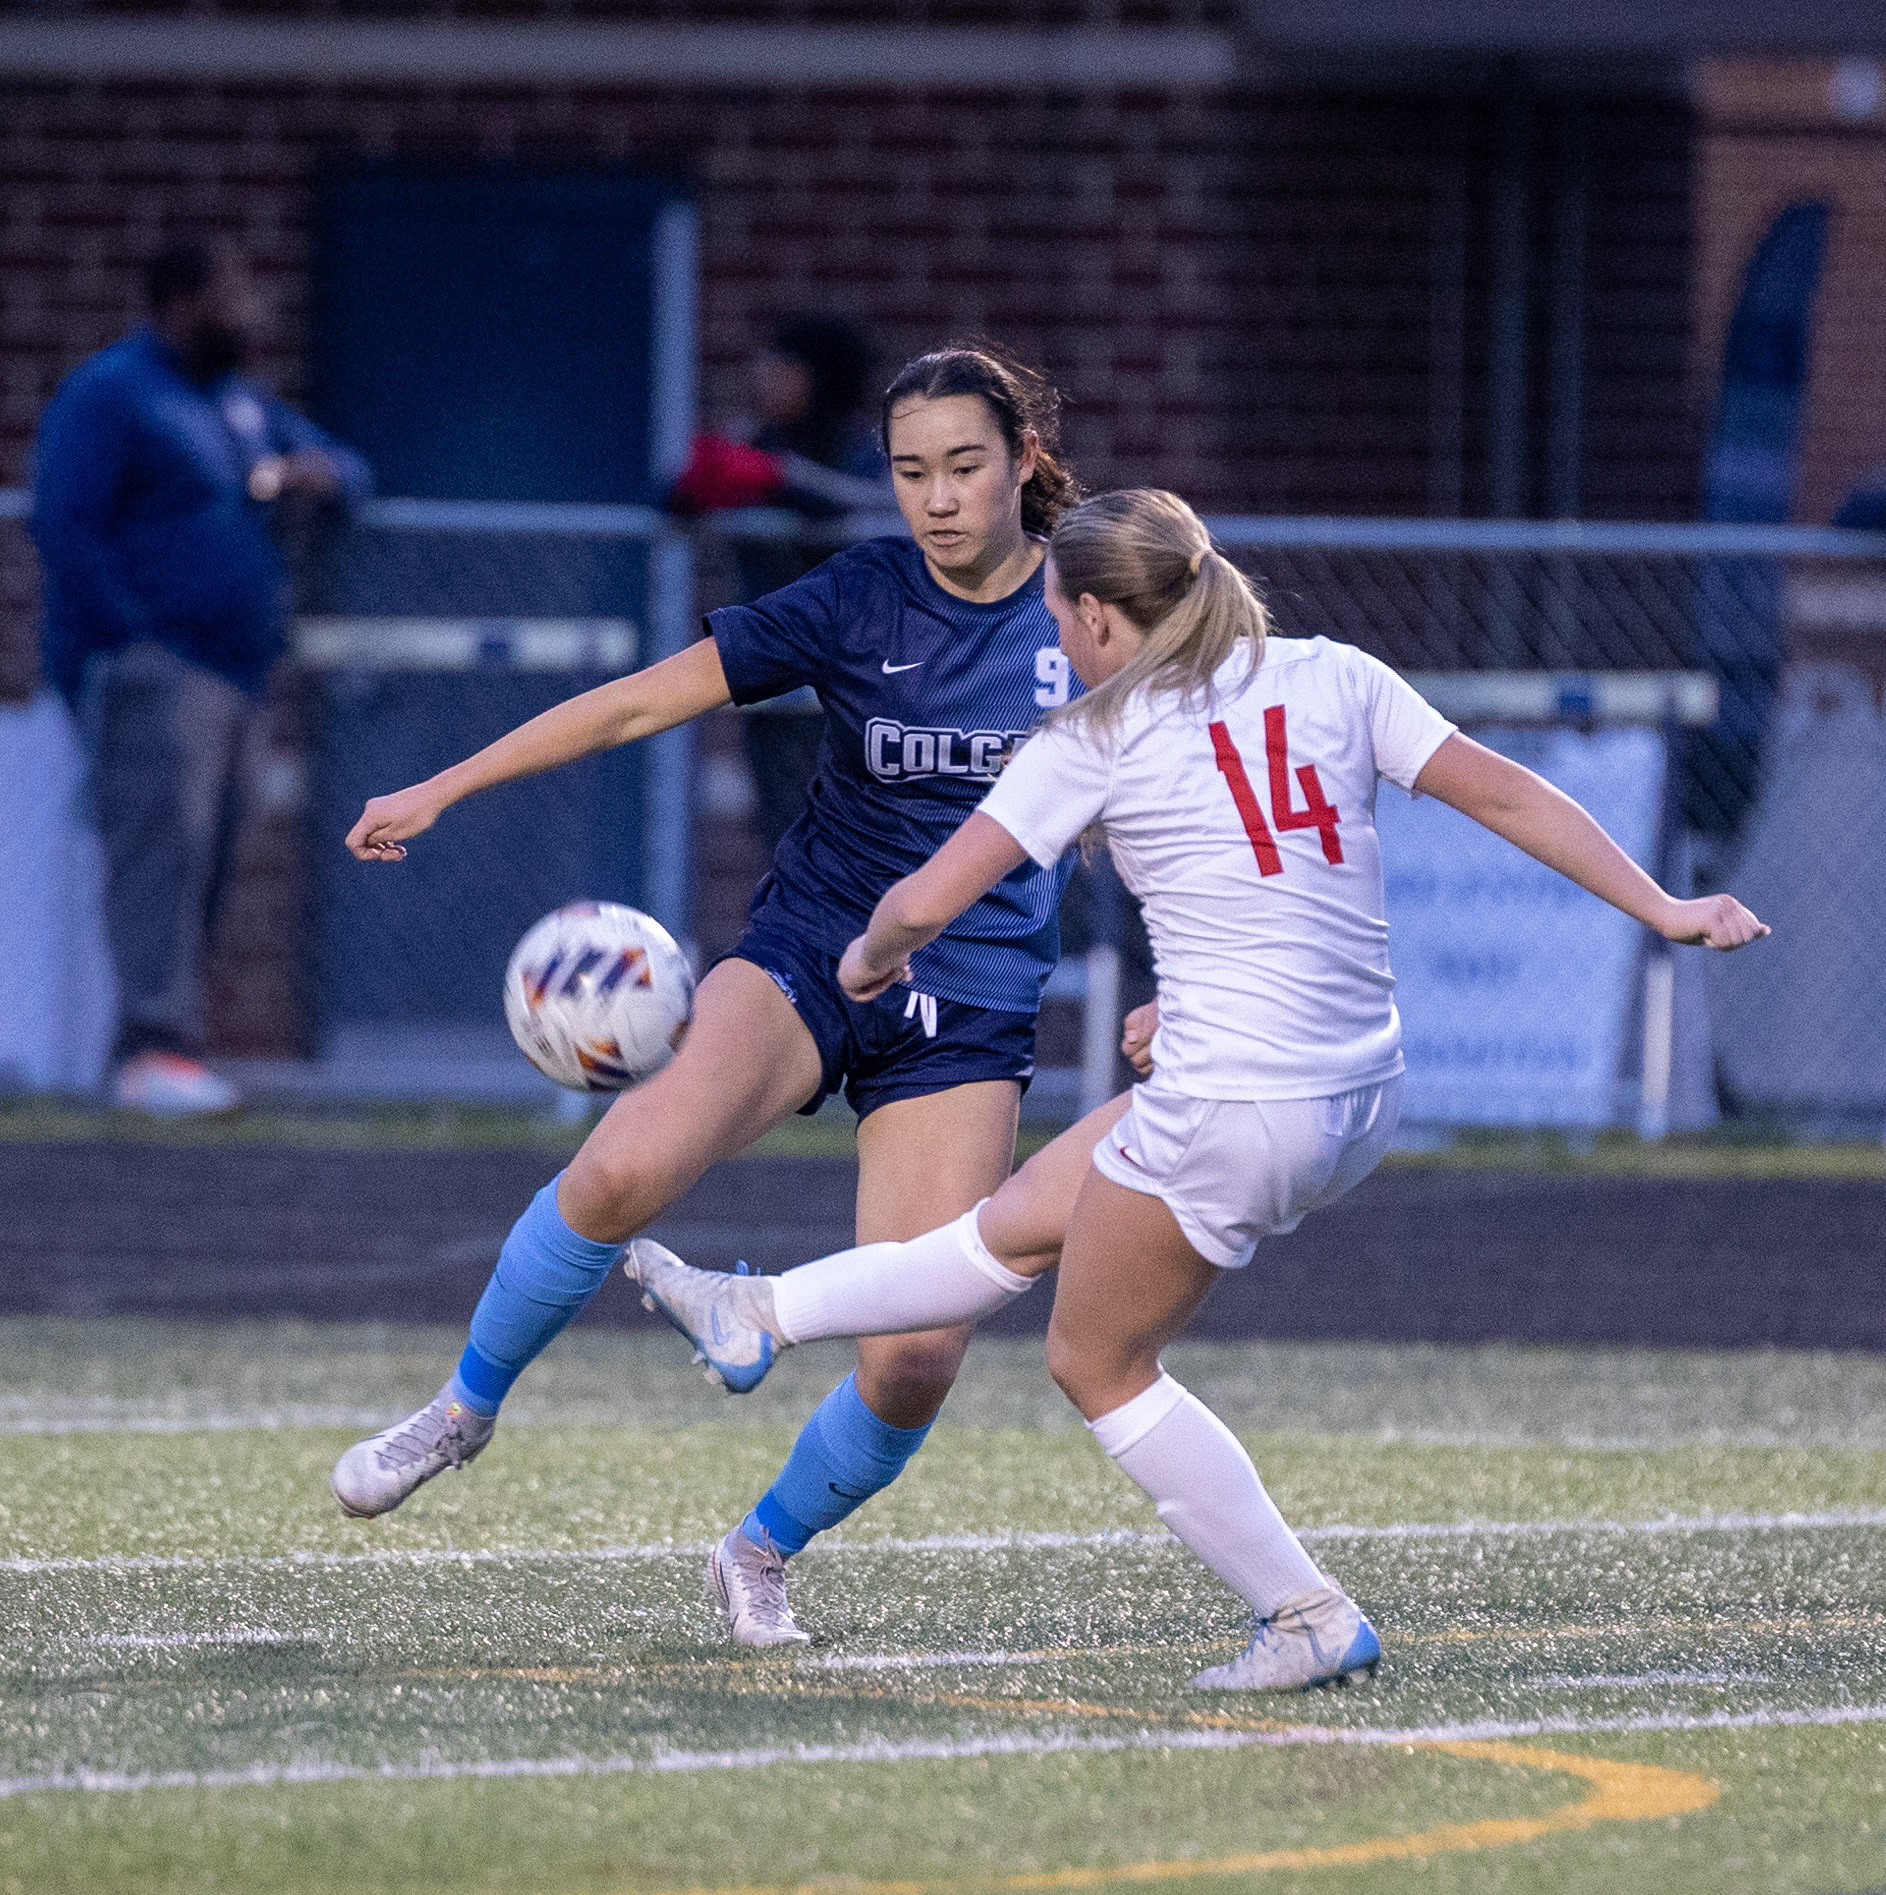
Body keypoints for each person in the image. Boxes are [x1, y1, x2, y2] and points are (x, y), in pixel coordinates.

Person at [628, 487, 1771, 1687]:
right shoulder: (1333, 673)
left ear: (1097, 615)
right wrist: (1664, 907)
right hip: (1354, 1087)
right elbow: (1500, 794)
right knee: (1015, 1223)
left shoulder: (1095, 734)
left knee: (1096, 1362)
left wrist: (865, 959)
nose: (1052, 639)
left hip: (1237, 1102)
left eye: (1054, 616)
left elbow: (922, 898)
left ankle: (1303, 1612)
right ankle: (756, 1312)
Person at [329, 347, 1087, 1650]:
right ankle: (460, 1409)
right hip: (814, 953)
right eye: (910, 471)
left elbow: (1182, 783)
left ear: (1023, 459)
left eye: (964, 466)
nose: (936, 497)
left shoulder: (1092, 613)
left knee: (916, 1352)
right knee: (625, 1165)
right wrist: (440, 786)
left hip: (968, 1003)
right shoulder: (860, 594)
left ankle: (756, 1550)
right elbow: (639, 704)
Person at [31, 238, 370, 1117]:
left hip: (238, 674)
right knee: (160, 860)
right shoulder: (114, 394)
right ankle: (151, 1051)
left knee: (209, 862)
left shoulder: (237, 403)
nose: (248, 314)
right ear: (179, 302)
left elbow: (349, 469)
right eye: (231, 296)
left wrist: (317, 476)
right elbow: (65, 523)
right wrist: (135, 637)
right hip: (155, 671)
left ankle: (169, 1051)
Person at [669, 313, 892, 857]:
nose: (766, 377)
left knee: (864, 829)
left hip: (856, 676)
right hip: (775, 670)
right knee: (784, 828)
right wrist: (700, 485)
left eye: (785, 366)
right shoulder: (753, 441)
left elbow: (876, 509)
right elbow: (673, 502)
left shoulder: (864, 452)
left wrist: (783, 479)